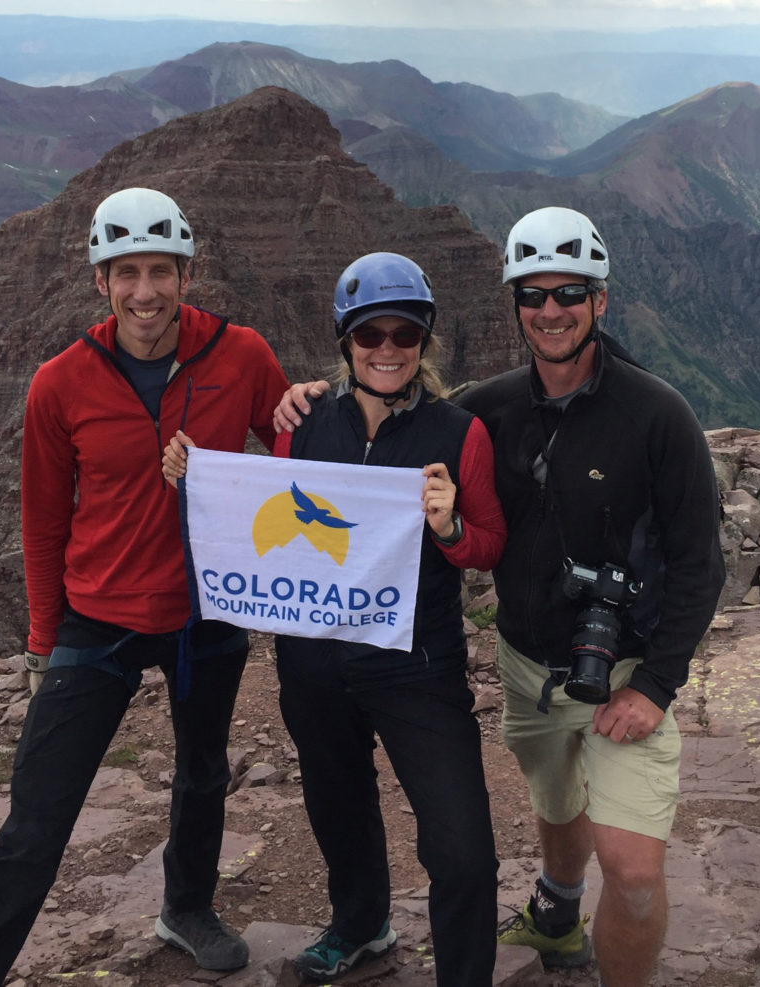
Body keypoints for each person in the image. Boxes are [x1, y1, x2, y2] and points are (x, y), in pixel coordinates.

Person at [274, 208, 725, 987]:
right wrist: (287, 402)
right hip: (522, 663)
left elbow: (697, 563)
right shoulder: (479, 409)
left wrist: (656, 685)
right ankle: (553, 909)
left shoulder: (653, 416)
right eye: (533, 294)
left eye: (569, 292)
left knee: (626, 868)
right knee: (555, 802)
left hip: (619, 668)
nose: (551, 310)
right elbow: (281, 492)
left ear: (600, 300)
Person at [0, 187, 289, 987]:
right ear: (101, 280)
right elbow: (44, 521)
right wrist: (43, 640)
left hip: (206, 611)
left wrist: (257, 453)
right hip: (98, 620)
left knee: (202, 770)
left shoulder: (243, 354)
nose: (145, 292)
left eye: (161, 271)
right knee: (37, 819)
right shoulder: (61, 383)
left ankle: (186, 907)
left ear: (187, 275)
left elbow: (296, 470)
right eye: (127, 273)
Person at [163, 251, 506, 986]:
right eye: (369, 335)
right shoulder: (305, 420)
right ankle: (360, 923)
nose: (386, 349)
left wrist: (449, 530)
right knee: (337, 799)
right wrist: (192, 476)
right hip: (314, 661)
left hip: (416, 664)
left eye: (403, 336)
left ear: (425, 343)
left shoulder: (458, 434)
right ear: (346, 342)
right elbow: (264, 502)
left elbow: (489, 544)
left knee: (462, 846)